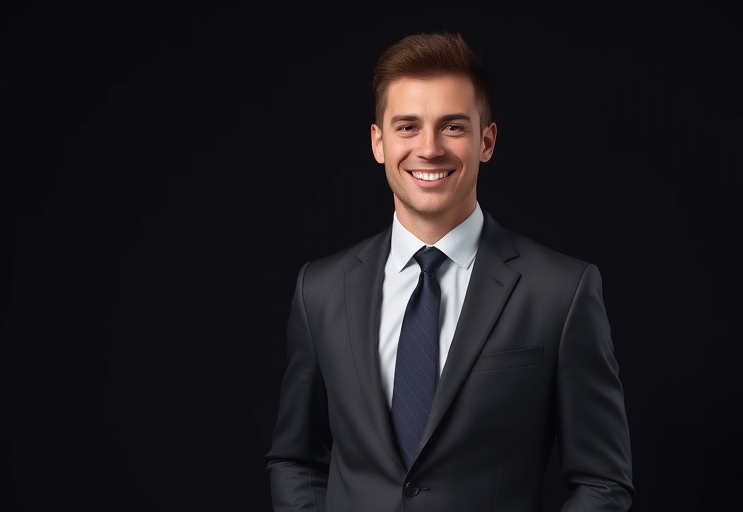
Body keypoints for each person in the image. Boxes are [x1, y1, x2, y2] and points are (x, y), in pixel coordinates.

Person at [265, 31, 634, 511]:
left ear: (487, 140)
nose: (430, 148)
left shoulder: (561, 292)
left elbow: (603, 481)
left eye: (453, 127)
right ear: (378, 142)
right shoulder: (320, 289)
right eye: (407, 126)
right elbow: (296, 459)